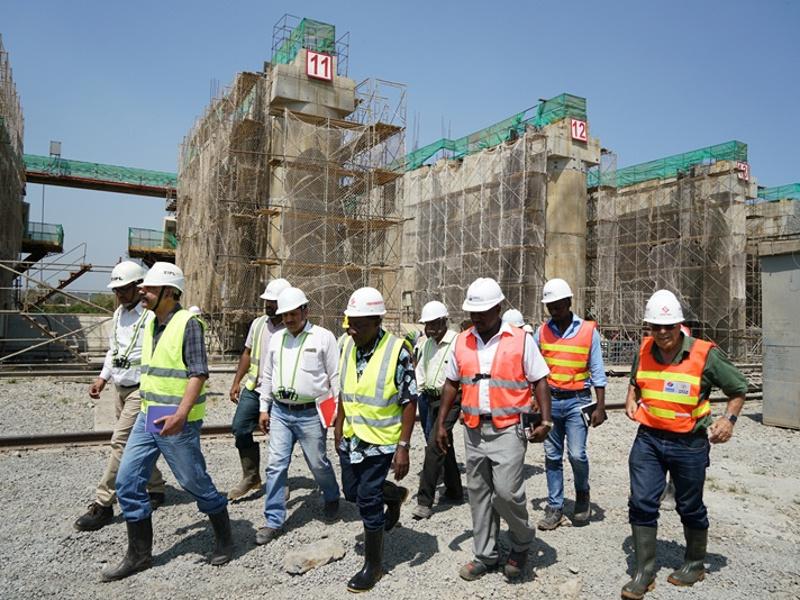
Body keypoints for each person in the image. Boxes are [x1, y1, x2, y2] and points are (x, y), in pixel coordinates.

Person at [102, 262, 232, 581]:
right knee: (127, 481)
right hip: (150, 413)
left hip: (177, 420)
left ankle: (226, 536)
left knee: (193, 482)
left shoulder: (188, 323)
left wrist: (181, 414)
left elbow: (198, 372)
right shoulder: (149, 322)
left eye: (148, 288)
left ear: (169, 292)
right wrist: (106, 377)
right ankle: (139, 556)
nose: (141, 292)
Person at [621, 290, 746, 599]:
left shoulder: (705, 354)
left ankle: (694, 563)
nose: (662, 333)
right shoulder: (644, 348)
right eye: (655, 326)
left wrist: (728, 421)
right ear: (648, 326)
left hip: (689, 443)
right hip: (648, 439)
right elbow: (636, 381)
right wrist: (631, 397)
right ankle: (644, 571)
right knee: (641, 502)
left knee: (688, 505)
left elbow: (738, 388)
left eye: (669, 326)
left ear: (680, 324)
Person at [436, 277, 552, 582]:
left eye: (483, 311)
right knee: (478, 494)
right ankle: (485, 555)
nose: (477, 317)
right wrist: (441, 423)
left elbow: (540, 379)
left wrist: (546, 421)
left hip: (509, 429)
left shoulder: (520, 339)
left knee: (506, 493)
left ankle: (522, 541)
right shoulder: (462, 341)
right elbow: (451, 383)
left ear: (499, 307)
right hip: (473, 430)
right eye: (473, 312)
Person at [335, 287, 417, 592]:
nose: (351, 329)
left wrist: (403, 447)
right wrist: (339, 422)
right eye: (349, 322)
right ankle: (393, 496)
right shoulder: (347, 344)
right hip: (352, 436)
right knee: (353, 492)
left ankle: (374, 566)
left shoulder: (398, 351)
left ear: (376, 321)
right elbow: (346, 386)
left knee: (368, 499)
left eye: (358, 324)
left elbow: (410, 400)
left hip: (382, 441)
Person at [74, 261, 166, 532]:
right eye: (116, 290)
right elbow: (113, 350)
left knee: (120, 443)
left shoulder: (150, 316)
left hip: (141, 389)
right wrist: (103, 378)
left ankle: (103, 503)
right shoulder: (118, 314)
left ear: (139, 288)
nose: (119, 294)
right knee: (137, 442)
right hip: (121, 389)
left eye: (124, 289)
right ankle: (156, 487)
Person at [255, 287, 341, 544]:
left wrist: (337, 412)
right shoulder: (277, 339)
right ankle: (273, 520)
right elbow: (267, 375)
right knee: (276, 465)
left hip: (311, 413)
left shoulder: (323, 338)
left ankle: (332, 495)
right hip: (281, 412)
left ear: (306, 310)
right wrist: (264, 407)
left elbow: (335, 376)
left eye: (293, 314)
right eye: (285, 315)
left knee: (318, 463)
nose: (289, 319)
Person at [534, 278, 607, 529]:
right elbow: (533, 369)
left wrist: (600, 405)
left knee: (577, 453)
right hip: (550, 402)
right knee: (552, 455)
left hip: (578, 401)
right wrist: (534, 401)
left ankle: (582, 494)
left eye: (557, 305)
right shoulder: (541, 332)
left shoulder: (588, 331)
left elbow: (597, 370)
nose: (553, 310)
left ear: (569, 302)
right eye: (549, 306)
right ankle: (555, 506)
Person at [227, 278, 290, 501]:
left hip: (280, 392)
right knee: (240, 428)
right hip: (255, 387)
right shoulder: (259, 324)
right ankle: (251, 476)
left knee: (279, 438)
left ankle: (278, 481)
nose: (268, 305)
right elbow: (247, 352)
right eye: (267, 301)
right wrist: (237, 381)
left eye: (272, 302)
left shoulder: (291, 327)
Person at [411, 300, 463, 520]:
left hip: (451, 399)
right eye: (426, 325)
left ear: (444, 321)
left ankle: (424, 500)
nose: (429, 329)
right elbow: (421, 370)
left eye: (433, 324)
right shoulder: (426, 344)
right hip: (430, 398)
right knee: (444, 445)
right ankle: (455, 490)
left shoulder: (458, 342)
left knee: (433, 444)